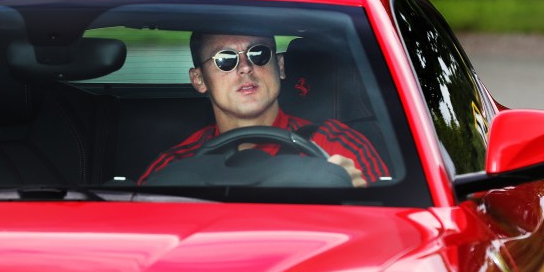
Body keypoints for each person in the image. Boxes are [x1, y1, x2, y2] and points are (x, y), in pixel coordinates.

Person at [138, 33, 390, 186]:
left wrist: (361, 194)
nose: (245, 67)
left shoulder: (338, 145)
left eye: (258, 54)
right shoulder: (174, 165)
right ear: (199, 80)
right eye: (225, 60)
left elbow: (392, 235)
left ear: (280, 66)